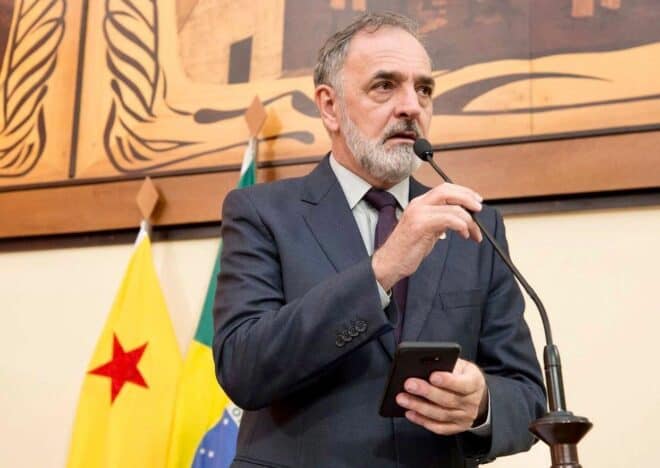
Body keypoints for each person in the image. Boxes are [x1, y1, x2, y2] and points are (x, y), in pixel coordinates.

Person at [213, 12, 545, 468]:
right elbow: (243, 368)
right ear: (330, 107)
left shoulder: (473, 225)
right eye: (385, 86)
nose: (412, 107)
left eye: (423, 89)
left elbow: (527, 396)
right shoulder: (261, 213)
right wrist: (381, 271)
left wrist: (482, 404)